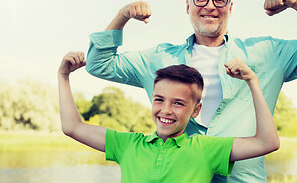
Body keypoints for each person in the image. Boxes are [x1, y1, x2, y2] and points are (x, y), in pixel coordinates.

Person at [85, 0, 297, 182]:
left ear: (230, 7)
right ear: (188, 6)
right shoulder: (158, 59)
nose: (210, 6)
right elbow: (99, 64)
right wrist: (122, 16)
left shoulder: (268, 52)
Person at [58, 52, 279, 183]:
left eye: (178, 103)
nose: (166, 110)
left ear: (196, 110)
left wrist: (252, 80)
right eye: (159, 99)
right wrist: (63, 76)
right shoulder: (127, 145)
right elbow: (72, 127)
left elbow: (267, 142)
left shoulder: (206, 149)